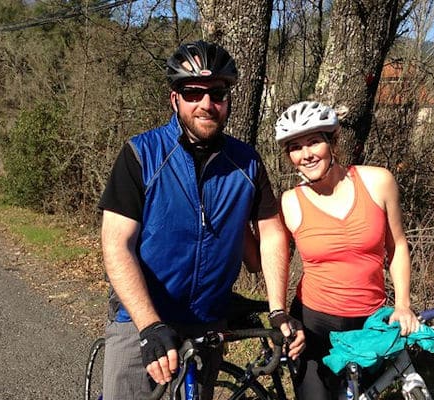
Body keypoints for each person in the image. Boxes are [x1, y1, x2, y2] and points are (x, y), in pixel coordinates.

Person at [99, 40, 304, 400]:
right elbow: (117, 244)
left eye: (217, 93)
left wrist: (277, 309)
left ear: (228, 99)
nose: (206, 104)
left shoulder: (247, 163)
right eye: (193, 92)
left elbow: (272, 233)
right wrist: (149, 325)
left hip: (207, 321)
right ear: (174, 98)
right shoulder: (141, 154)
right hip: (142, 318)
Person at [274, 101, 420, 399]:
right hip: (314, 325)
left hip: (368, 321)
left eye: (314, 141)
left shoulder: (378, 181)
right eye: (295, 147)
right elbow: (271, 255)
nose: (306, 154)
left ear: (333, 141)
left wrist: (403, 304)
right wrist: (277, 313)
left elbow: (398, 246)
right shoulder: (289, 201)